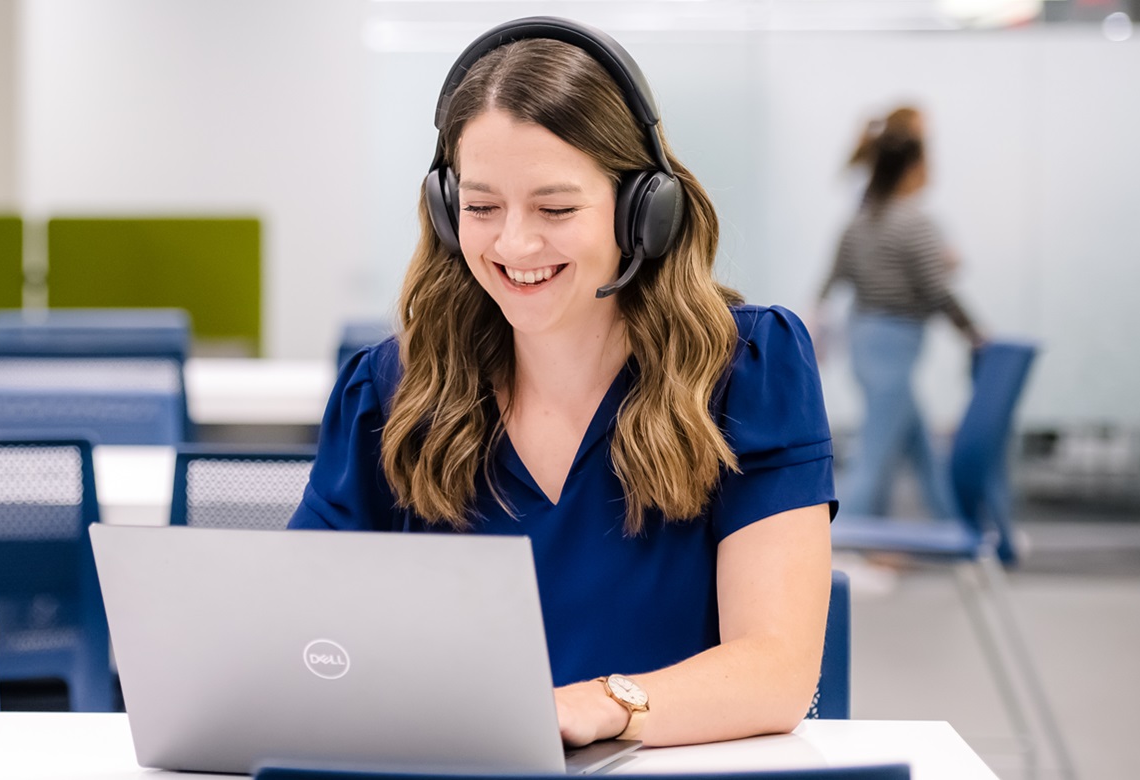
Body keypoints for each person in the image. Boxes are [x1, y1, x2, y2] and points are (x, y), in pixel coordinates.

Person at [289, 19, 835, 749]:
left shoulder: (747, 371)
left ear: (645, 213)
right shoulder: (389, 392)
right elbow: (299, 643)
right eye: (481, 208)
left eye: (555, 209)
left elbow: (776, 672)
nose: (514, 244)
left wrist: (597, 707)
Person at [818, 116, 982, 520]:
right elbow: (936, 289)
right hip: (894, 344)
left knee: (920, 446)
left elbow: (834, 278)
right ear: (913, 168)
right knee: (873, 454)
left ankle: (954, 528)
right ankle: (847, 541)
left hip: (865, 340)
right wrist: (975, 332)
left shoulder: (860, 221)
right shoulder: (916, 222)